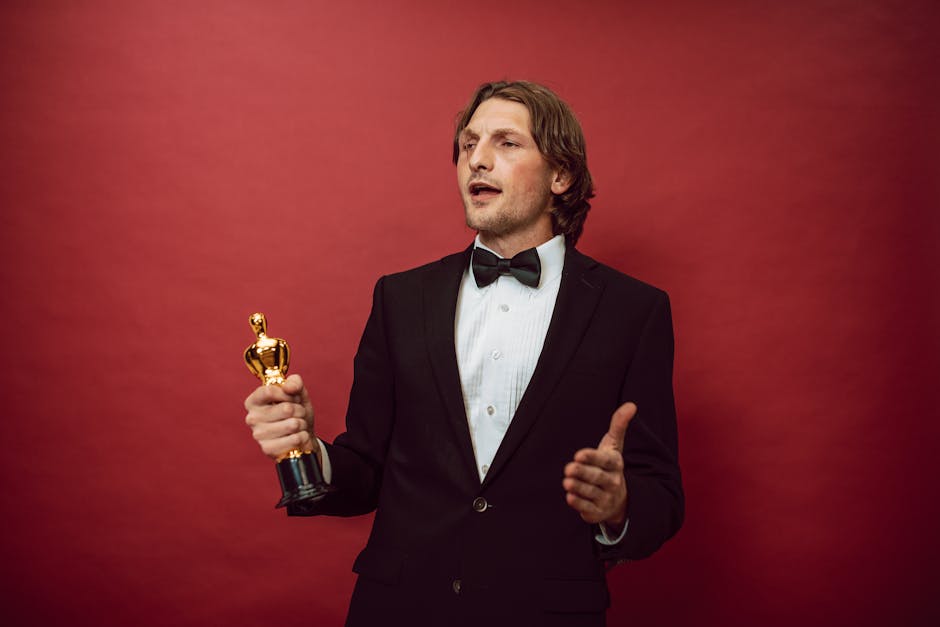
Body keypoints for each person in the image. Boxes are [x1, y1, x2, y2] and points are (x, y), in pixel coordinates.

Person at [244, 80, 683, 627]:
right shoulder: (400, 298)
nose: (477, 158)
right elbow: (367, 470)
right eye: (468, 143)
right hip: (398, 609)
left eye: (506, 143)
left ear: (561, 176)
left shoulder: (632, 311)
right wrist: (305, 449)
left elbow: (661, 494)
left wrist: (618, 506)